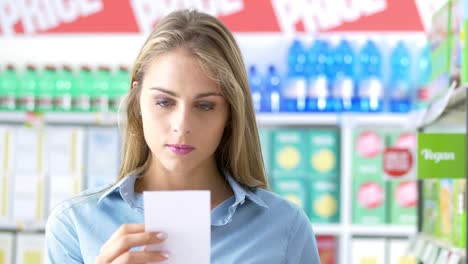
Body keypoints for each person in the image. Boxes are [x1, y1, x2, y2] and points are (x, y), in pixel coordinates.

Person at [45, 9, 320, 264]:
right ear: (137, 99)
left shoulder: (285, 226)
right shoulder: (75, 224)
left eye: (205, 105)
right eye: (164, 102)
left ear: (231, 114)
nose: (182, 126)